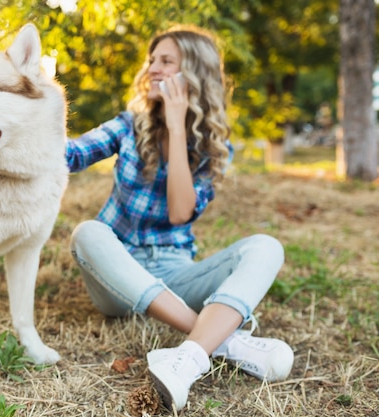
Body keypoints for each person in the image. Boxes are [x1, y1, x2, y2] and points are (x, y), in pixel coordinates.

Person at [65, 24, 294, 412]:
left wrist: (175, 124)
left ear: (195, 75)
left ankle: (186, 359)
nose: (153, 68)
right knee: (88, 232)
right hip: (117, 275)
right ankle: (224, 341)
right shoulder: (128, 125)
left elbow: (179, 212)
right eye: (152, 60)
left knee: (266, 247)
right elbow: (70, 155)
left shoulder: (213, 147)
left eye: (166, 61)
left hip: (174, 273)